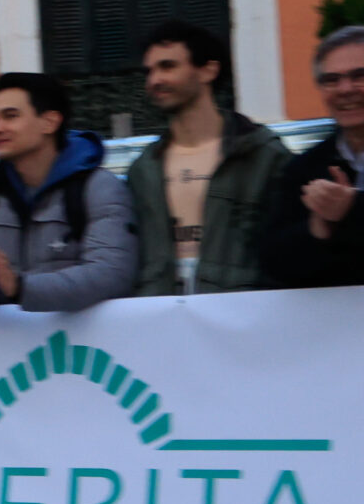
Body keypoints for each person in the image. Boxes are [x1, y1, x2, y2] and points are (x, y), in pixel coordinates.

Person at [0, 73, 136, 318]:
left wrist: (22, 288)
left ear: (49, 122)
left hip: (82, 342)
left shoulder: (99, 187)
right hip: (5, 341)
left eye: (11, 116)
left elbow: (111, 273)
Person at [121, 21, 285, 297]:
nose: (154, 80)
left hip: (239, 310)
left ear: (209, 70)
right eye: (149, 71)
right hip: (160, 311)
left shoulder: (263, 155)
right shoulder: (144, 168)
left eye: (167, 66)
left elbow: (284, 251)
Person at [261, 24, 364, 289]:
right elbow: (273, 263)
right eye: (331, 80)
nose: (345, 89)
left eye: (360, 76)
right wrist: (317, 228)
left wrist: (352, 209)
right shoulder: (304, 167)